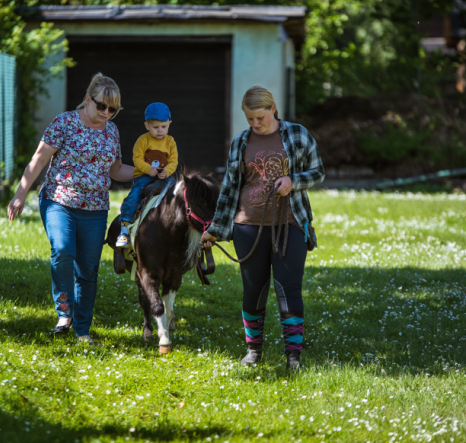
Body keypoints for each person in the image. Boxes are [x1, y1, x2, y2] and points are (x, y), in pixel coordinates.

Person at [200, 86, 325, 369]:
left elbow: (318, 171)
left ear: (273, 109)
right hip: (248, 226)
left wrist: (294, 180)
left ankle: (293, 356)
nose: (255, 124)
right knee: (253, 289)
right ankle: (253, 351)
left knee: (289, 288)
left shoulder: (298, 134)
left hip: (290, 224)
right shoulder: (241, 142)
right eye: (250, 119)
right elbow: (231, 187)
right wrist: (216, 227)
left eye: (260, 118)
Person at [7, 73, 135, 344]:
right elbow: (38, 160)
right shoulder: (64, 123)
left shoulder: (112, 131)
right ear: (88, 99)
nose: (107, 113)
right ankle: (64, 313)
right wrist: (20, 194)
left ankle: (82, 330)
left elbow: (116, 170)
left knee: (88, 270)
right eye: (102, 106)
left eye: (113, 109)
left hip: (96, 208)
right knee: (63, 249)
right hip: (58, 201)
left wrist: (145, 172)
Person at [116, 102, 179, 248]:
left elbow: (173, 161)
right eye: (155, 127)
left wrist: (166, 171)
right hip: (144, 176)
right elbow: (137, 158)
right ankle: (124, 231)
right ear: (147, 126)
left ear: (169, 123)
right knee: (134, 197)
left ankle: (178, 226)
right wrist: (147, 169)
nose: (160, 131)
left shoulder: (170, 142)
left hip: (164, 176)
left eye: (164, 127)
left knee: (178, 195)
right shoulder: (142, 140)